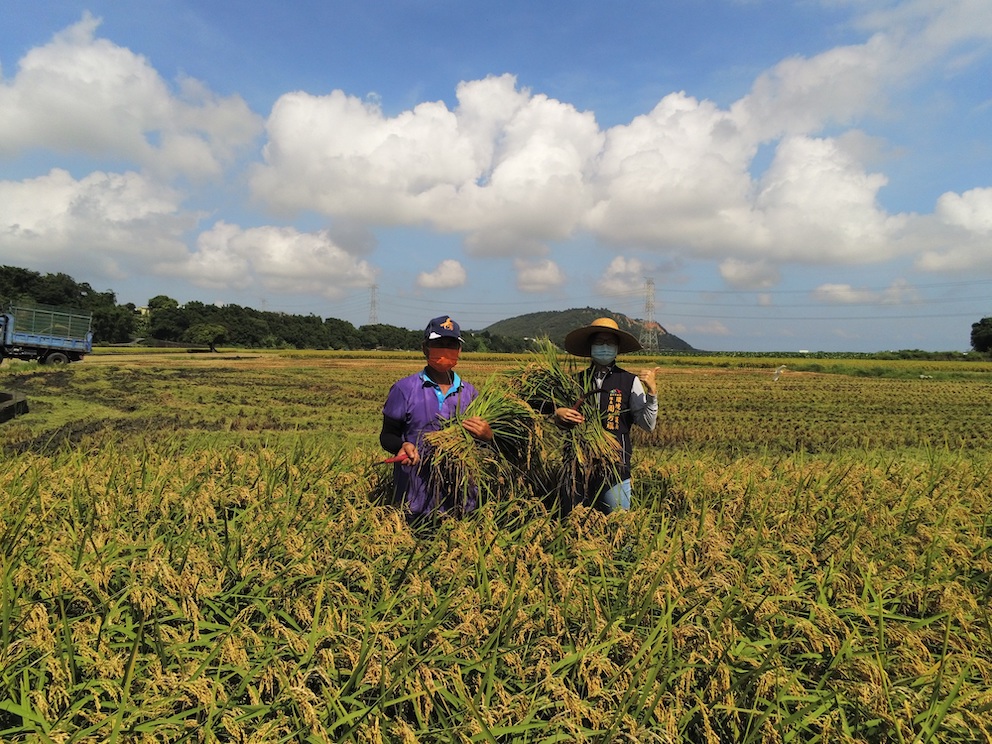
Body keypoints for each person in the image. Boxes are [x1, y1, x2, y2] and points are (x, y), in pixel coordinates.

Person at [379, 315, 493, 523]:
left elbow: (483, 447)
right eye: (438, 344)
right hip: (414, 499)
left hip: (461, 500)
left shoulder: (470, 394)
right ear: (425, 348)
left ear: (459, 351)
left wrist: (487, 436)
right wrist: (402, 445)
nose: (445, 349)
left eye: (451, 344)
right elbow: (387, 435)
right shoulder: (404, 389)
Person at [554, 317, 658, 513]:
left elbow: (648, 425)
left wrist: (652, 392)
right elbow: (560, 422)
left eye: (610, 342)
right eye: (599, 342)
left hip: (615, 470)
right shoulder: (573, 382)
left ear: (617, 348)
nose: (604, 347)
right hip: (578, 467)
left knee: (617, 529)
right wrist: (559, 415)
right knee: (573, 526)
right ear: (590, 347)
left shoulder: (629, 381)